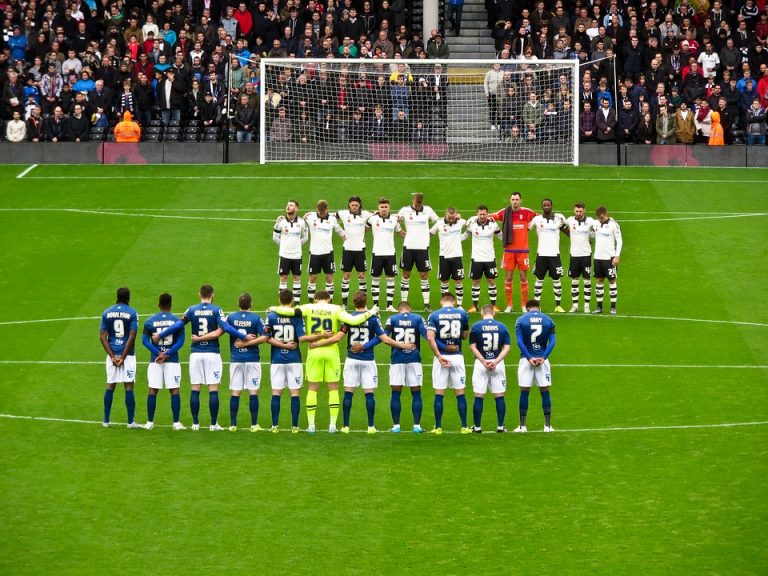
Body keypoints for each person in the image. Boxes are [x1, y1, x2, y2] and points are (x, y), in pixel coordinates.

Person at [270, 292, 379, 433]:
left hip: (314, 350)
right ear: (329, 299)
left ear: (316, 299)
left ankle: (311, 426)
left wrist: (274, 308)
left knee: (312, 387)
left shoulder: (309, 307)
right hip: (331, 352)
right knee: (333, 387)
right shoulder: (336, 308)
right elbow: (353, 321)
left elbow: (290, 311)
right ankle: (332, 425)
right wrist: (370, 312)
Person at [153, 284, 227, 430]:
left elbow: (178, 325)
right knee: (213, 388)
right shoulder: (217, 310)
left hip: (196, 353)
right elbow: (224, 327)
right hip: (212, 352)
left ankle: (195, 424)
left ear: (199, 294)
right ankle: (213, 424)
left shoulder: (191, 309)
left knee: (195, 387)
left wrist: (161, 334)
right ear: (213, 294)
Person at [341, 291, 414, 433]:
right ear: (366, 302)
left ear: (354, 303)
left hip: (351, 359)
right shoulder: (373, 319)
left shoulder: (349, 318)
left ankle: (345, 426)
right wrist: (404, 345)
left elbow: (340, 335)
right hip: (368, 360)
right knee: (369, 393)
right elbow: (384, 338)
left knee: (348, 392)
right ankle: (371, 427)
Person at [219, 293, 269, 432]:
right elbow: (265, 337)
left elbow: (221, 330)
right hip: (252, 359)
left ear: (238, 304)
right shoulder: (256, 318)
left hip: (236, 360)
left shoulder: (231, 317)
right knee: (253, 392)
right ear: (251, 305)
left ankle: (233, 425)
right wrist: (249, 343)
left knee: (235, 392)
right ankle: (254, 425)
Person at [264, 290, 310, 433]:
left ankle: (274, 426)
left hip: (277, 359)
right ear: (292, 300)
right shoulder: (297, 316)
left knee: (276, 392)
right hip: (294, 358)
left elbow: (266, 337)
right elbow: (302, 336)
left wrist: (281, 345)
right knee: (294, 392)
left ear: (279, 300)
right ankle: (295, 426)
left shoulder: (271, 316)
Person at [381, 301, 431, 432]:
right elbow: (427, 336)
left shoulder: (392, 319)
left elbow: (384, 337)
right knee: (416, 392)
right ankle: (417, 426)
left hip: (397, 359)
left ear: (399, 310)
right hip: (414, 359)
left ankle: (396, 426)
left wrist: (399, 345)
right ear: (410, 309)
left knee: (396, 393)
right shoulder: (418, 318)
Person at [426, 292, 471, 434]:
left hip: (442, 357)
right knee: (460, 393)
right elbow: (464, 336)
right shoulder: (462, 314)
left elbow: (430, 338)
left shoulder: (434, 315)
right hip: (457, 356)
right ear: (454, 301)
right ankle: (464, 426)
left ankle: (438, 427)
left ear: (441, 301)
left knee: (439, 393)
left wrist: (440, 354)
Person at [141, 293, 186, 430]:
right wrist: (167, 353)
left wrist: (158, 353)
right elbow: (181, 341)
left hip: (155, 361)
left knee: (153, 390)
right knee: (174, 390)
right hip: (172, 360)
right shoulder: (177, 321)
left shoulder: (150, 321)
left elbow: (144, 341)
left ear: (158, 305)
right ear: (171, 305)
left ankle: (149, 423)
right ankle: (176, 423)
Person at [99, 287, 139, 428]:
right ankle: (130, 422)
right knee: (128, 386)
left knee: (110, 385)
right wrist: (122, 357)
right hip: (127, 356)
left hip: (112, 354)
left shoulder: (106, 312)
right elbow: (132, 336)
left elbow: (102, 336)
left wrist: (112, 356)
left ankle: (106, 420)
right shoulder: (132, 313)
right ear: (128, 297)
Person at [514, 299, 556, 432]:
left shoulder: (520, 320)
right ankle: (547, 426)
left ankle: (523, 426)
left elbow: (519, 342)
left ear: (527, 308)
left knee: (524, 391)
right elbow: (553, 342)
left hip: (526, 361)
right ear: (539, 307)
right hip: (542, 360)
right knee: (545, 391)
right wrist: (543, 357)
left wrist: (529, 357)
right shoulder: (548, 320)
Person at [490, 192, 537, 313]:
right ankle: (509, 305)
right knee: (509, 277)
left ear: (521, 200)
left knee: (523, 277)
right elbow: (491, 216)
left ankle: (524, 305)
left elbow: (540, 218)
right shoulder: (505, 212)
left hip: (522, 251)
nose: (515, 201)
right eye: (513, 199)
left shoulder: (527, 212)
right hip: (509, 250)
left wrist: (530, 227)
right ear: (510, 200)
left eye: (517, 199)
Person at [468, 304, 511, 433]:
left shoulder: (476, 326)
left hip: (481, 364)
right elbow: (507, 347)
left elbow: (472, 346)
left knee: (479, 395)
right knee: (499, 395)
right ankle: (500, 426)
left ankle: (477, 427)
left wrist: (483, 360)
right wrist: (496, 361)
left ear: (482, 313)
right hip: (497, 364)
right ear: (494, 313)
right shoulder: (503, 327)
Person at [397, 193, 439, 311]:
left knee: (424, 275)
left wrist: (431, 232)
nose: (418, 206)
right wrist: (400, 230)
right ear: (412, 201)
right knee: (406, 274)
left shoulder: (428, 210)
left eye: (420, 204)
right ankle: (404, 302)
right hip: (408, 247)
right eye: (416, 203)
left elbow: (439, 221)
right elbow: (395, 219)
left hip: (423, 247)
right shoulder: (405, 210)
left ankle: (426, 304)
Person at [529, 199, 568, 313]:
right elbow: (525, 229)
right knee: (539, 280)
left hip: (554, 254)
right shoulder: (537, 219)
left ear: (552, 206)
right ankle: (536, 307)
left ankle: (558, 306)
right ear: (541, 207)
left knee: (557, 280)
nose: (546, 206)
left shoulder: (559, 218)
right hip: (541, 254)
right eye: (544, 205)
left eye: (548, 205)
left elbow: (567, 231)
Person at [367, 197, 404, 312]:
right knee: (375, 279)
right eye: (381, 207)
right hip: (377, 253)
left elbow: (400, 232)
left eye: (385, 207)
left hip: (390, 254)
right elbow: (363, 227)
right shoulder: (372, 219)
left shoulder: (394, 219)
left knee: (390, 279)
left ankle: (389, 306)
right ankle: (376, 305)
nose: (383, 209)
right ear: (378, 207)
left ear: (389, 207)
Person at [463, 205, 502, 313]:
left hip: (490, 258)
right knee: (476, 282)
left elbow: (501, 236)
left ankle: (494, 305)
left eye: (484, 214)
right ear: (477, 214)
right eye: (480, 214)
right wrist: (453, 239)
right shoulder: (472, 225)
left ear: (487, 214)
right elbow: (465, 236)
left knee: (491, 281)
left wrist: (510, 241)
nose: (482, 216)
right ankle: (475, 306)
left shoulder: (494, 224)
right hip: (476, 258)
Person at [304, 200, 345, 303]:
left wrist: (350, 239)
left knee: (329, 278)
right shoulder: (310, 217)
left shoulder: (332, 219)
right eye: (319, 211)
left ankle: (329, 302)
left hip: (328, 253)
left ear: (327, 209)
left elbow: (340, 231)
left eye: (323, 211)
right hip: (314, 253)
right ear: (317, 209)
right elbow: (298, 221)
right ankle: (311, 303)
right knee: (313, 278)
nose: (321, 214)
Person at [336, 196, 372, 308]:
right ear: (349, 205)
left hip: (360, 250)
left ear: (360, 205)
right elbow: (327, 215)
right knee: (346, 275)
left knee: (361, 276)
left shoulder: (366, 214)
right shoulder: (343, 213)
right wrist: (311, 214)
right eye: (352, 205)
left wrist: (364, 230)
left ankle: (364, 304)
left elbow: (376, 217)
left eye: (356, 205)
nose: (354, 207)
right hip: (347, 249)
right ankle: (344, 304)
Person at [430, 207, 467, 308]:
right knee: (444, 281)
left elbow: (470, 224)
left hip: (457, 256)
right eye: (449, 218)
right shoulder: (439, 223)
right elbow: (430, 233)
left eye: (453, 218)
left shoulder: (461, 222)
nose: (451, 220)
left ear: (456, 215)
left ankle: (459, 305)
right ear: (445, 215)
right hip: (444, 257)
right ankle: (445, 304)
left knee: (458, 281)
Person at [273, 199, 308, 305]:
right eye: (287, 205)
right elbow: (275, 237)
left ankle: (296, 304)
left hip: (297, 255)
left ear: (296, 208)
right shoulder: (281, 222)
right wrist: (284, 246)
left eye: (291, 205)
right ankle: (283, 304)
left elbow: (305, 237)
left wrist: (296, 245)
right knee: (283, 278)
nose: (288, 207)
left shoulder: (302, 222)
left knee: (297, 278)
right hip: (284, 255)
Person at [564, 202, 595, 313]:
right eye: (576, 211)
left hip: (586, 255)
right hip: (574, 255)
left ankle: (586, 306)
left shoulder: (590, 221)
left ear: (584, 211)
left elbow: (599, 224)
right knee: (575, 281)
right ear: (574, 211)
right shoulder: (570, 220)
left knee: (587, 281)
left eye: (580, 211)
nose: (578, 213)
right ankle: (575, 305)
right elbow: (560, 224)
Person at [592, 206, 623, 315]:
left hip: (609, 258)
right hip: (597, 258)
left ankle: (613, 307)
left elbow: (619, 241)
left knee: (612, 281)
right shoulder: (595, 223)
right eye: (598, 218)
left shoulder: (613, 225)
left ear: (606, 214)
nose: (600, 220)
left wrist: (617, 256)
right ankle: (599, 307)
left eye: (602, 217)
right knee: (599, 281)